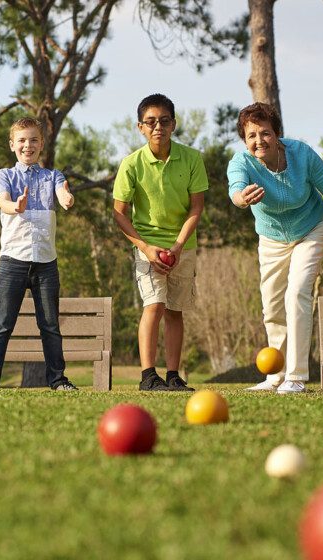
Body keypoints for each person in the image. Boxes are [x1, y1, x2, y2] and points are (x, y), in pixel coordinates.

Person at [227, 102, 323, 394]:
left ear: (277, 134)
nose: (259, 141)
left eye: (265, 133)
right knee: (271, 305)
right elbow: (235, 190)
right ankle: (276, 376)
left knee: (297, 293)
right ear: (244, 140)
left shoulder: (301, 155)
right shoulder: (241, 163)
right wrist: (242, 198)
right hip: (272, 238)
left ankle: (296, 376)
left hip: (311, 228)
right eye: (251, 136)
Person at [112, 93, 208, 392]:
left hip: (183, 246)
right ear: (140, 127)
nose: (158, 127)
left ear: (174, 124)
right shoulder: (131, 164)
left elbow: (196, 208)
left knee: (175, 311)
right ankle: (148, 375)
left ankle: (174, 375)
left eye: (164, 121)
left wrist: (178, 246)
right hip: (148, 247)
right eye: (151, 122)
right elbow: (119, 213)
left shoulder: (191, 158)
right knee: (153, 304)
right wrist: (145, 248)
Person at [0, 117, 77, 390]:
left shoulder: (53, 176)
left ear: (41, 144)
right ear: (12, 145)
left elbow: (62, 191)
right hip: (13, 262)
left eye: (33, 140)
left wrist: (66, 199)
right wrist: (14, 206)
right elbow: (3, 202)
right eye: (21, 140)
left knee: (50, 327)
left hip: (46, 264)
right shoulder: (4, 175)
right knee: (2, 324)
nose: (27, 145)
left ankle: (58, 380)